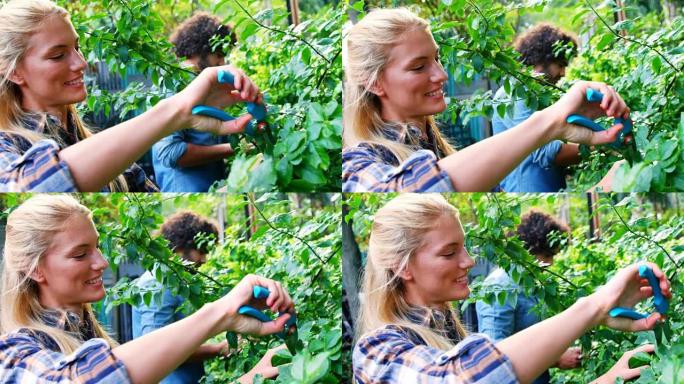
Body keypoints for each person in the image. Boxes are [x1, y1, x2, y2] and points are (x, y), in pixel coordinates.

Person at [353, 194, 668, 384]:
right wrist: (594, 307)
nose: (469, 262)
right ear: (403, 266)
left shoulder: (451, 334)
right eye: (450, 253)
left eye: (464, 248)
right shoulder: (376, 352)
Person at [0, 195, 295, 383]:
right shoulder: (15, 353)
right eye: (80, 254)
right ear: (35, 269)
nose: (102, 263)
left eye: (98, 248)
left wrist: (252, 377)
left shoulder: (86, 333)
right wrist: (219, 316)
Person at [342, 8, 628, 193]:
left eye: (438, 59)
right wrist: (550, 122)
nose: (442, 75)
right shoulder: (357, 164)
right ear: (374, 81)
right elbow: (405, 190)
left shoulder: (439, 150)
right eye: (419, 67)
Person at [0, 0, 263, 192]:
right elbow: (26, 188)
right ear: (14, 72)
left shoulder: (95, 146)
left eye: (78, 48)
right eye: (58, 55)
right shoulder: (7, 147)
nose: (81, 63)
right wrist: (175, 111)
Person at [132, 211, 282, 383]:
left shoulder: (178, 281)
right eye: (201, 250)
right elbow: (155, 351)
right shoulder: (157, 284)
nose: (204, 259)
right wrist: (219, 349)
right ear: (181, 246)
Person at [476, 210, 578, 383]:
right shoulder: (500, 288)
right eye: (547, 256)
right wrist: (556, 359)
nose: (551, 263)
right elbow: (494, 355)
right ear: (529, 250)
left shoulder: (532, 284)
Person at [152, 13, 238, 192]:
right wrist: (234, 148)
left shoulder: (203, 84)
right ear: (200, 48)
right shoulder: (173, 85)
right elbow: (172, 153)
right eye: (220, 54)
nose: (223, 62)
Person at [492, 24, 583, 192]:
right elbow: (546, 152)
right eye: (561, 64)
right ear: (543, 59)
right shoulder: (516, 92)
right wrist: (599, 148)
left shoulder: (538, 93)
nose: (563, 73)